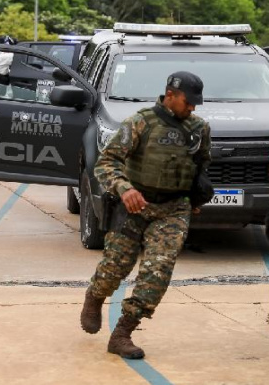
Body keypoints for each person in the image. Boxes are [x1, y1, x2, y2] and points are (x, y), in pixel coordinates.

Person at [79, 72, 212, 360]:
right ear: (171, 95)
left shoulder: (198, 128)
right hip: (134, 207)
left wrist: (197, 195)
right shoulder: (141, 122)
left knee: (157, 273)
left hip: (173, 209)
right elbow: (107, 161)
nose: (193, 108)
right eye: (189, 102)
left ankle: (123, 333)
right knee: (115, 267)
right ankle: (95, 295)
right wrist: (124, 188)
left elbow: (201, 164)